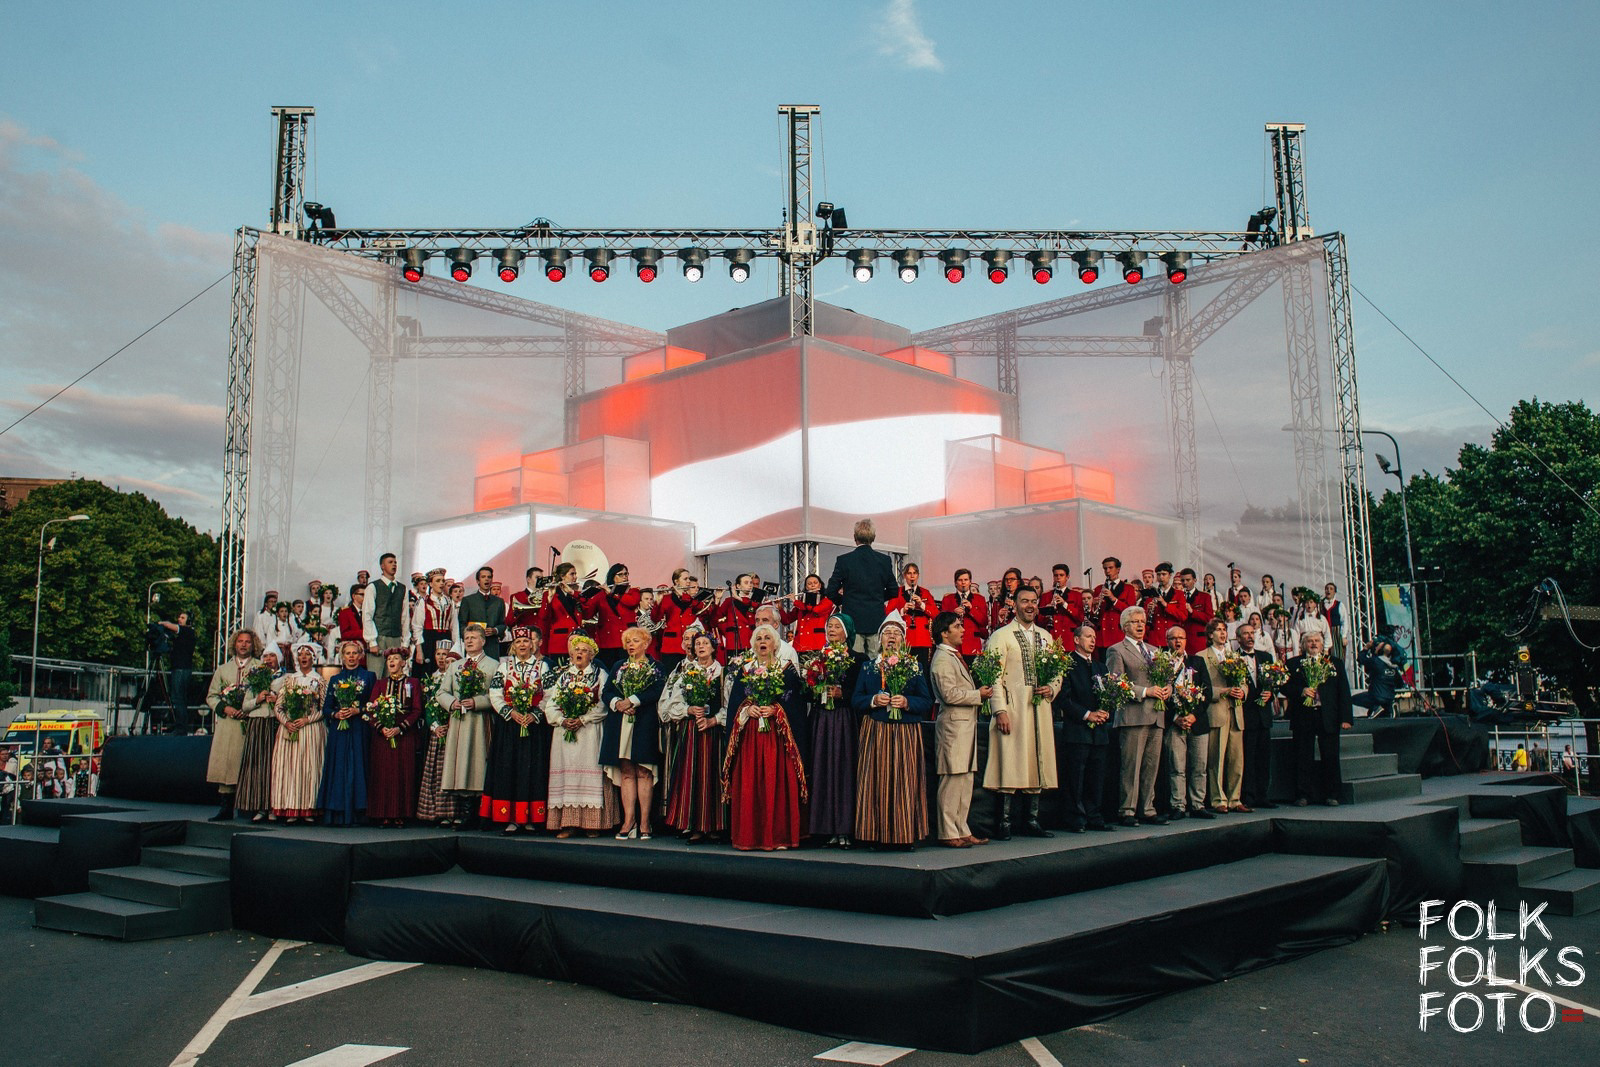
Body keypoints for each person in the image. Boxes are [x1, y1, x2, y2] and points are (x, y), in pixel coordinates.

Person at [721, 624, 808, 851]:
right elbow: (735, 705)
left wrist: (776, 709)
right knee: (751, 784)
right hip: (751, 735)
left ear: (775, 644)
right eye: (758, 638)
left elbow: (796, 705)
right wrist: (747, 709)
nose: (762, 641)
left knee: (776, 782)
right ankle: (750, 836)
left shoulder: (786, 670)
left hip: (778, 736)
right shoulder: (745, 670)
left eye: (767, 638)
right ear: (753, 645)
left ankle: (779, 835)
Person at [982, 587, 1059, 839]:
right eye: (1024, 601)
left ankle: (1032, 820)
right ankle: (1004, 822)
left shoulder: (1046, 637)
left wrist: (1052, 687)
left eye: (1034, 601)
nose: (1030, 605)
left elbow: (1058, 671)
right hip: (1013, 708)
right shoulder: (1001, 636)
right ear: (1014, 605)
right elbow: (993, 676)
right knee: (1010, 760)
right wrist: (999, 710)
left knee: (1036, 759)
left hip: (1039, 708)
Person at [853, 614, 934, 850]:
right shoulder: (869, 667)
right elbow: (856, 699)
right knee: (876, 783)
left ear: (904, 639)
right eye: (887, 633)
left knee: (904, 783)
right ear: (880, 639)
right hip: (876, 730)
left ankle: (904, 835)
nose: (891, 637)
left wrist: (907, 702)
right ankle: (876, 835)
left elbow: (926, 701)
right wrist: (873, 700)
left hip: (905, 732)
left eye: (896, 633)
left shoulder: (914, 666)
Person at [543, 635, 620, 837]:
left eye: (584, 650)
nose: (579, 653)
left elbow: (603, 703)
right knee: (567, 775)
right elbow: (551, 704)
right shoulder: (563, 676)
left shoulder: (600, 675)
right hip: (565, 733)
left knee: (590, 772)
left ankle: (592, 823)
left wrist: (583, 719)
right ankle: (568, 824)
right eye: (577, 650)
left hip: (589, 732)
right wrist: (561, 720)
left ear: (592, 655)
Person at [930, 610, 992, 847]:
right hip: (953, 727)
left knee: (965, 780)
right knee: (953, 779)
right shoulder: (942, 659)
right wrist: (978, 695)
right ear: (944, 633)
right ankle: (948, 832)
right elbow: (949, 694)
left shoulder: (953, 657)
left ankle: (962, 828)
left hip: (964, 726)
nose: (963, 630)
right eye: (957, 626)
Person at [482, 626, 552, 833]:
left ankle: (531, 817)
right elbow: (495, 693)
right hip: (510, 726)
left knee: (532, 770)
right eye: (518, 642)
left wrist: (535, 714)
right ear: (513, 645)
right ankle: (511, 817)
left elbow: (550, 694)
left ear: (532, 644)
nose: (522, 645)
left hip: (533, 726)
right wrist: (510, 713)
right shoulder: (504, 667)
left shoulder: (542, 667)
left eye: (526, 641)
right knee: (510, 768)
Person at [661, 627, 727, 843]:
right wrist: (689, 709)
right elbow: (673, 704)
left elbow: (728, 705)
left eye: (705, 643)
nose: (700, 647)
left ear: (713, 648)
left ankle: (714, 825)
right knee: (692, 776)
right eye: (697, 644)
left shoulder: (722, 673)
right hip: (691, 731)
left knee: (713, 776)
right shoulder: (685, 674)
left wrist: (713, 720)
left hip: (713, 732)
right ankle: (695, 825)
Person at [1104, 605, 1168, 826]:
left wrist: (1168, 689)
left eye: (1142, 621)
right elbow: (1116, 683)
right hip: (1133, 715)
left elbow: (1165, 678)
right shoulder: (1116, 650)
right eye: (1135, 622)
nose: (1140, 625)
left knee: (1151, 765)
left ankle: (1147, 808)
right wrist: (1145, 691)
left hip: (1156, 715)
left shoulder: (1154, 650)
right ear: (1124, 626)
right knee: (1131, 766)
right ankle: (1127, 810)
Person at [599, 627, 665, 840]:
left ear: (646, 644)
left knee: (644, 771)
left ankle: (645, 822)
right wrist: (618, 703)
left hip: (644, 722)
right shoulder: (619, 666)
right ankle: (629, 821)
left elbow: (657, 690)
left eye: (635, 641)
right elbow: (607, 691)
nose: (631, 645)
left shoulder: (655, 666)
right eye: (628, 642)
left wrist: (633, 700)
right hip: (621, 723)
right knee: (626, 771)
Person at [805, 613, 864, 847]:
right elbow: (807, 691)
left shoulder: (858, 659)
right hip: (821, 719)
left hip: (844, 719)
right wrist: (816, 687)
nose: (831, 629)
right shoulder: (818, 658)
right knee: (822, 769)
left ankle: (845, 828)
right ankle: (823, 828)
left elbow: (861, 691)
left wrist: (843, 694)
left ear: (847, 632)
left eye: (836, 626)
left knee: (844, 770)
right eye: (829, 626)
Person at [1054, 624, 1113, 833]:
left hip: (1099, 732)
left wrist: (1105, 710)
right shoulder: (1067, 664)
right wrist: (1088, 714)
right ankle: (1075, 818)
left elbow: (1109, 694)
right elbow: (1063, 698)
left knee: (1096, 777)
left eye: (1094, 636)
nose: (1093, 640)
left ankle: (1094, 816)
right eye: (1088, 636)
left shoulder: (1101, 667)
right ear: (1076, 640)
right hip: (1078, 730)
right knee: (1075, 778)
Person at [438, 623, 498, 824]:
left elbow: (497, 695)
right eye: (466, 638)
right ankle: (465, 811)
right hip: (459, 722)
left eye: (473, 638)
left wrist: (477, 702)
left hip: (480, 721)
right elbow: (441, 692)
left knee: (479, 762)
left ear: (483, 641)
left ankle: (481, 812)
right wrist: (451, 702)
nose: (469, 641)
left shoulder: (493, 665)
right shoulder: (455, 665)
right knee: (461, 763)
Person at [203, 629, 263, 822]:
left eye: (247, 642)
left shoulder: (259, 667)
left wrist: (248, 708)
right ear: (234, 644)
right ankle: (226, 807)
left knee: (249, 763)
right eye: (240, 641)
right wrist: (225, 708)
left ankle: (249, 806)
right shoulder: (223, 669)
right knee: (227, 763)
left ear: (253, 645)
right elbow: (211, 696)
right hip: (228, 724)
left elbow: (265, 693)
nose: (243, 645)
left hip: (250, 722)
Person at [1287, 631, 1353, 806]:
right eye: (1310, 641)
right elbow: (1284, 687)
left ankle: (1333, 794)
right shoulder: (1293, 663)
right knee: (1302, 756)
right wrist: (1301, 691)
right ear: (1303, 645)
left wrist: (1346, 718)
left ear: (1323, 644)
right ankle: (1303, 795)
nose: (1314, 644)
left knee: (1331, 756)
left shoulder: (1335, 663)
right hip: (1303, 716)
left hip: (1328, 716)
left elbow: (1343, 691)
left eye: (1317, 641)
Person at [1193, 618, 1249, 815]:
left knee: (1237, 759)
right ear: (1210, 635)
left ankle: (1235, 798)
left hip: (1236, 711)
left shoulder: (1235, 655)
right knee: (1216, 758)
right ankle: (1218, 799)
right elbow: (1201, 686)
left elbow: (1244, 682)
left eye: (1224, 629)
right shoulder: (1202, 656)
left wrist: (1242, 692)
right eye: (1218, 630)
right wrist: (1222, 692)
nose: (1223, 633)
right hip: (1217, 710)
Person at [269, 640, 328, 824]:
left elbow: (325, 708)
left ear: (313, 658)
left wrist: (307, 719)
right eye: (301, 654)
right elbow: (279, 706)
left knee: (309, 768)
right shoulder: (290, 680)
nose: (304, 657)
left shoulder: (319, 680)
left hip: (310, 728)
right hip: (290, 729)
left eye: (307, 654)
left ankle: (308, 808)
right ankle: (290, 807)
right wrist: (286, 722)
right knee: (289, 768)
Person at [364, 647, 423, 827]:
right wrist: (381, 728)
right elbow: (371, 709)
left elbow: (417, 710)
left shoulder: (413, 683)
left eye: (396, 658)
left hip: (404, 733)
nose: (391, 661)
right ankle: (383, 813)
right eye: (389, 659)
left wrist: (400, 728)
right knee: (383, 774)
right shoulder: (380, 684)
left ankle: (401, 814)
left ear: (403, 663)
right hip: (383, 735)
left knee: (403, 773)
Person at [318, 639, 374, 826]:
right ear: (342, 657)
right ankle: (338, 810)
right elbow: (326, 708)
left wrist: (359, 710)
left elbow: (374, 703)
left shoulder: (369, 676)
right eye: (347, 653)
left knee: (359, 765)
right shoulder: (335, 679)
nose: (351, 657)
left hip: (359, 728)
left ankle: (359, 811)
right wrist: (336, 714)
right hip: (340, 731)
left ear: (360, 655)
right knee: (339, 767)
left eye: (354, 653)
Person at [1157, 625, 1210, 820]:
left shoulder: (1197, 662)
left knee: (1199, 766)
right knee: (1177, 767)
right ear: (1167, 641)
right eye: (1173, 638)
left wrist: (1193, 715)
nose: (1178, 641)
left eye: (1181, 638)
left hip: (1197, 722)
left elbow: (1207, 691)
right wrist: (1175, 718)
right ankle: (1178, 805)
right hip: (1174, 723)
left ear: (1186, 641)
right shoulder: (1161, 663)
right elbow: (1160, 696)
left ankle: (1198, 804)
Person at [824, 519, 898, 655]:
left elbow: (830, 591)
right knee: (877, 663)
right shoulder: (884, 560)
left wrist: (845, 601)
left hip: (853, 620)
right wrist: (877, 598)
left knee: (855, 661)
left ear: (855, 537)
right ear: (873, 537)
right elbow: (893, 591)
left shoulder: (844, 560)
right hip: (876, 619)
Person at [417, 643, 471, 827]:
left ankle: (454, 812)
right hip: (438, 731)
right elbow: (429, 707)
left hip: (454, 729)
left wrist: (450, 724)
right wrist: (435, 726)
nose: (443, 660)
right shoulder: (432, 680)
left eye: (449, 659)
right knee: (436, 773)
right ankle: (437, 812)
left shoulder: (462, 681)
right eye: (440, 655)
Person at [233, 646, 280, 823]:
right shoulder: (254, 677)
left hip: (273, 723)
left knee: (273, 767)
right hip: (257, 724)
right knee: (256, 766)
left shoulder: (284, 678)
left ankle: (273, 806)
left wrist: (277, 700)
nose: (268, 659)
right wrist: (257, 699)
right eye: (265, 656)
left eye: (272, 656)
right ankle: (259, 806)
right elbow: (245, 706)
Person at [1235, 622, 1278, 810]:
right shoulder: (1233, 658)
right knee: (1247, 757)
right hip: (1245, 715)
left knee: (1264, 758)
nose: (1250, 636)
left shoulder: (1266, 656)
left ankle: (1263, 795)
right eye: (1245, 634)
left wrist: (1271, 694)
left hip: (1263, 716)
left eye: (1252, 633)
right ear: (1238, 638)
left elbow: (1274, 683)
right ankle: (1248, 795)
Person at [586, 564, 642, 672]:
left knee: (626, 671)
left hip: (626, 640)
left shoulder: (633, 592)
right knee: (608, 671)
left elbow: (632, 602)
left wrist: (612, 594)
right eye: (620, 574)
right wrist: (587, 596)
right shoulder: (601, 594)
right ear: (612, 577)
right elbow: (588, 613)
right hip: (607, 641)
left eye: (626, 574)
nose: (624, 577)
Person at [362, 552, 412, 673]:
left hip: (396, 637)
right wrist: (372, 642)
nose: (394, 564)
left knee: (394, 674)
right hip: (379, 636)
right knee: (376, 673)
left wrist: (405, 642)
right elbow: (367, 615)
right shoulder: (373, 587)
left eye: (395, 562)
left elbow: (405, 617)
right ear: (382, 566)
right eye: (390, 562)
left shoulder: (403, 588)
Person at [885, 563, 936, 672]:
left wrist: (921, 604)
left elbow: (936, 614)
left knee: (922, 671)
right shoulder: (897, 592)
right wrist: (902, 610)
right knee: (904, 671)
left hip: (922, 639)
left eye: (914, 573)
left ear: (918, 575)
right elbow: (888, 613)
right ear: (904, 575)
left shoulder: (925, 592)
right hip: (904, 638)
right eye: (909, 573)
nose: (912, 576)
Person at [537, 562, 588, 665]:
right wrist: (549, 599)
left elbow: (587, 610)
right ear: (562, 576)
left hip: (577, 640)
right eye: (572, 574)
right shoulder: (549, 594)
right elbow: (543, 617)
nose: (575, 577)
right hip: (560, 642)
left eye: (575, 574)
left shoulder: (577, 594)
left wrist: (573, 593)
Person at [158, 611, 198, 733]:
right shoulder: (185, 634)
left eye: (182, 618)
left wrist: (160, 623)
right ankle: (179, 724)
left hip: (181, 669)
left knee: (178, 698)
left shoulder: (187, 631)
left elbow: (170, 625)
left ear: (189, 621)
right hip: (180, 668)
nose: (179, 619)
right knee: (178, 698)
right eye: (179, 617)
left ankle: (181, 727)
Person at [1090, 558, 1139, 655]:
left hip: (1118, 634)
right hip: (1103, 636)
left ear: (1118, 569)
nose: (1107, 571)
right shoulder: (1099, 589)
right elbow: (1093, 617)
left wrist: (1114, 599)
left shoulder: (1128, 588)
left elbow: (1131, 612)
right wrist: (1094, 606)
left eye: (1110, 568)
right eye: (1105, 569)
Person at [940, 569, 989, 662]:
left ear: (970, 582)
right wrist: (953, 613)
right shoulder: (948, 599)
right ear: (955, 583)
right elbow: (942, 622)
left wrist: (971, 609)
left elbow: (984, 622)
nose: (963, 583)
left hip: (972, 645)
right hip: (954, 645)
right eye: (960, 580)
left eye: (966, 580)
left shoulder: (980, 599)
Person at [459, 566, 507, 660]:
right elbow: (462, 624)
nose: (487, 579)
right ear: (478, 581)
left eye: (489, 577)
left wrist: (495, 630)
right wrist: (472, 635)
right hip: (474, 646)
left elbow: (502, 624)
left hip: (492, 646)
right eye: (483, 577)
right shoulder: (468, 600)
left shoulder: (499, 601)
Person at [413, 570, 457, 673]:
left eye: (443, 581)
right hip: (428, 641)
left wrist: (454, 648)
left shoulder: (450, 602)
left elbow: (454, 627)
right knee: (427, 672)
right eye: (438, 581)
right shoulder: (423, 602)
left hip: (445, 640)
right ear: (430, 584)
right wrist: (419, 650)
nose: (441, 583)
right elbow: (417, 627)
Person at [779, 573, 834, 654]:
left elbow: (816, 610)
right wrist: (780, 608)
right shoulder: (801, 603)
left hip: (817, 644)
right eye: (809, 583)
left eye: (815, 583)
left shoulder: (826, 601)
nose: (812, 585)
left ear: (820, 585)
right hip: (799, 645)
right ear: (806, 587)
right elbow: (786, 620)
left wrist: (796, 602)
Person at [713, 573, 761, 658]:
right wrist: (717, 600)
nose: (750, 585)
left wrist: (736, 596)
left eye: (751, 583)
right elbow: (715, 619)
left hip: (750, 641)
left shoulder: (754, 602)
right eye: (746, 583)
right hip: (733, 643)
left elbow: (749, 605)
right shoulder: (729, 601)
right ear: (738, 586)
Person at [1355, 639, 1404, 718]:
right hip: (1389, 697)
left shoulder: (1376, 662)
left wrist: (1366, 647)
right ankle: (1390, 708)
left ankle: (1376, 708)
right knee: (1384, 710)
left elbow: (1361, 659)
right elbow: (1400, 684)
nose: (1375, 647)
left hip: (1376, 696)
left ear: (1380, 650)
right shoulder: (1394, 667)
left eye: (1377, 646)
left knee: (1352, 699)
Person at [1039, 564, 1085, 648]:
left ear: (1067, 577)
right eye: (1056, 575)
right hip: (1051, 638)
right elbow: (1039, 620)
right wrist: (1047, 610)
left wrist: (1065, 604)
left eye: (1061, 575)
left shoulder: (1076, 595)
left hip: (1068, 640)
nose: (1058, 578)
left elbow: (1080, 618)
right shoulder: (1046, 596)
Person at [1178, 568, 1215, 654]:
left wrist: (1193, 612)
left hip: (1197, 641)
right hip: (1181, 640)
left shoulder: (1205, 597)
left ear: (1195, 580)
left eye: (1188, 580)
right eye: (1182, 580)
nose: (1185, 583)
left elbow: (1209, 619)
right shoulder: (1178, 596)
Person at [506, 566, 547, 631]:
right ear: (528, 579)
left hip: (542, 632)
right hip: (526, 633)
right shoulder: (517, 596)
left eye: (542, 578)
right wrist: (517, 612)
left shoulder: (546, 596)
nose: (540, 581)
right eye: (537, 578)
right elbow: (509, 621)